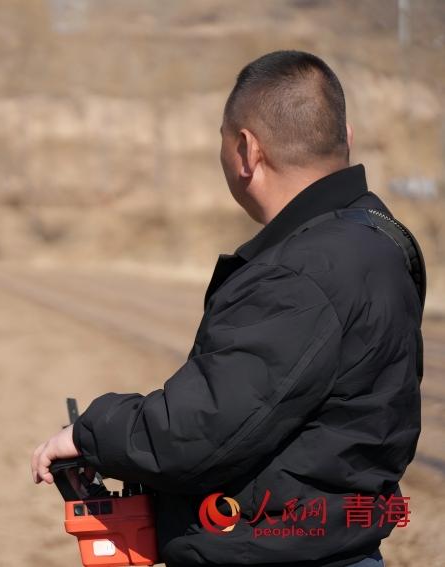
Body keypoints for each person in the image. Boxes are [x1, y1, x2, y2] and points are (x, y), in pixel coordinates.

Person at [31, 50, 425, 567]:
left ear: (246, 151)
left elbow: (200, 430)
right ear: (344, 138)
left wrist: (89, 432)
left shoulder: (302, 273)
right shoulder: (380, 239)